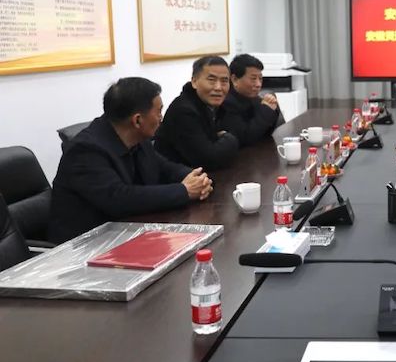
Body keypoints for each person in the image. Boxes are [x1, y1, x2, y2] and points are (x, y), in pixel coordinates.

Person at [49, 78, 213, 243]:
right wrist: (184, 191)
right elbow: (119, 199)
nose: (161, 118)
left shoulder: (137, 138)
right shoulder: (86, 151)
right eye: (158, 112)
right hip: (87, 245)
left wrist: (196, 178)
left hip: (128, 232)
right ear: (137, 120)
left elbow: (164, 167)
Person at [155, 55, 239, 170]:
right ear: (194, 81)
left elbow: (242, 134)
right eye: (211, 80)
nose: (218, 87)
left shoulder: (217, 104)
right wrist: (230, 139)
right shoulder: (183, 111)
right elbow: (209, 160)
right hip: (175, 177)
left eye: (224, 81)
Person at [220, 54, 284, 146]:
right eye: (253, 79)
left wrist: (272, 107)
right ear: (234, 79)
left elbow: (266, 132)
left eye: (260, 79)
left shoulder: (255, 98)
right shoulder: (226, 103)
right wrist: (266, 110)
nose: (258, 84)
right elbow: (245, 138)